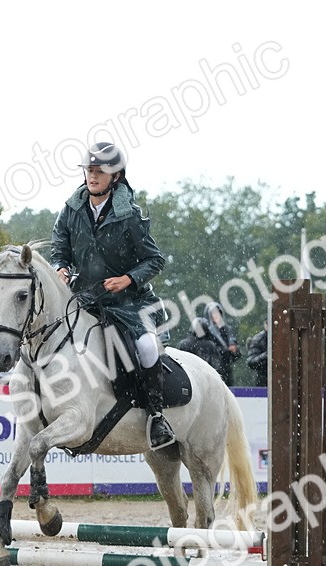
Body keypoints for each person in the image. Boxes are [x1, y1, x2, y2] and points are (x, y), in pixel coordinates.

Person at [50, 142, 175, 448]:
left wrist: (128, 279)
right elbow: (58, 249)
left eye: (99, 172)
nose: (92, 177)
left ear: (115, 176)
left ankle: (157, 416)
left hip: (129, 302)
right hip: (87, 299)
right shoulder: (71, 209)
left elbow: (154, 260)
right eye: (89, 171)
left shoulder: (129, 215)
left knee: (146, 346)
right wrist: (60, 268)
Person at [203, 302, 239, 386]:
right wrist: (226, 350)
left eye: (218, 313)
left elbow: (236, 354)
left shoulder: (227, 330)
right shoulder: (206, 332)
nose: (216, 316)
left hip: (226, 369)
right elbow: (208, 350)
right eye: (214, 313)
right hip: (212, 369)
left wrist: (234, 350)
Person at [245, 321, 268, 387]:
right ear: (265, 325)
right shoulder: (258, 339)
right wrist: (266, 355)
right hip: (263, 379)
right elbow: (251, 362)